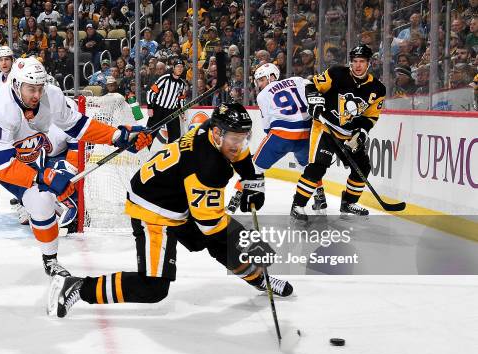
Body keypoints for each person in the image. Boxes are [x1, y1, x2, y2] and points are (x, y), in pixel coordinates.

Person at [0, 57, 152, 299]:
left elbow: (76, 125)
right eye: (31, 88)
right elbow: (2, 166)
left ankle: (51, 261)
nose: (37, 94)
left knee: (43, 202)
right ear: (15, 85)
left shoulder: (50, 95)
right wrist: (46, 175)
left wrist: (117, 136)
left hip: (19, 154)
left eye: (40, 88)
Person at [48, 102, 294, 318]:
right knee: (153, 287)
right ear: (218, 133)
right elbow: (211, 225)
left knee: (222, 245)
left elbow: (239, 154)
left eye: (243, 137)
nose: (239, 144)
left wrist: (252, 181)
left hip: (176, 197)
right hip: (154, 210)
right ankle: (77, 286)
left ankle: (260, 279)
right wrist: (251, 241)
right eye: (235, 138)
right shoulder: (208, 167)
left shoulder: (211, 130)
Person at [290, 44, 386, 221]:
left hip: (348, 134)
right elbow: (312, 85)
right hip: (325, 128)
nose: (358, 65)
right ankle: (298, 205)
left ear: (369, 63)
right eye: (355, 61)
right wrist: (314, 102)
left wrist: (362, 132)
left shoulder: (378, 89)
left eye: (362, 61)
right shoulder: (337, 73)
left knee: (363, 167)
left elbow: (370, 117)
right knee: (317, 167)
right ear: (350, 62)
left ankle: (348, 202)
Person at [229, 63, 327, 214]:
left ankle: (235, 200)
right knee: (309, 169)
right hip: (306, 133)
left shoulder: (262, 95)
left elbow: (267, 126)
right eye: (258, 81)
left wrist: (275, 137)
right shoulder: (298, 80)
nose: (260, 84)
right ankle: (320, 198)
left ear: (272, 76)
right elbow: (314, 88)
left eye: (261, 79)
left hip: (281, 134)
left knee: (253, 166)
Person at [146, 59, 187, 146]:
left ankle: (171, 156)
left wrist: (182, 112)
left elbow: (181, 99)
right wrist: (150, 107)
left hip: (172, 111)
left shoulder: (182, 84)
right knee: (149, 134)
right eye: (178, 67)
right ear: (173, 68)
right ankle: (142, 154)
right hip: (158, 109)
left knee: (175, 137)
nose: (180, 69)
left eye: (181, 67)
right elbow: (151, 92)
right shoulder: (165, 78)